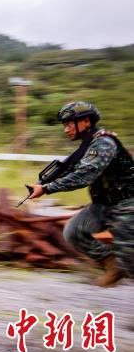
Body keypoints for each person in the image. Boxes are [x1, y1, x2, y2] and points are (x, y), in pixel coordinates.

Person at [28, 101, 132, 287]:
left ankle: (124, 265)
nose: (66, 129)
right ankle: (113, 265)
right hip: (104, 204)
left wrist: (46, 189)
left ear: (85, 122)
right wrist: (42, 182)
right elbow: (73, 169)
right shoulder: (87, 146)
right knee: (74, 231)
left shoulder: (103, 144)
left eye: (69, 124)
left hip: (128, 204)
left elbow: (83, 176)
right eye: (64, 125)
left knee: (129, 257)